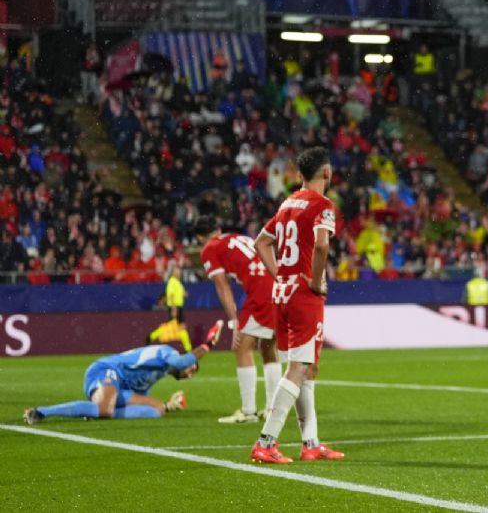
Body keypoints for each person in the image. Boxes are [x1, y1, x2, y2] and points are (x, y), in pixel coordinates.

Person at [250, 147, 344, 464]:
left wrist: (281, 274)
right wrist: (316, 282)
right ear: (327, 174)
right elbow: (321, 244)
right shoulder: (323, 205)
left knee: (306, 366)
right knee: (299, 367)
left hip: (281, 293)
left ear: (300, 174)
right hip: (304, 296)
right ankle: (266, 441)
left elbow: (261, 242)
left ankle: (311, 443)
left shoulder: (288, 203)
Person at [23, 321, 222, 424]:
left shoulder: (160, 371)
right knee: (105, 409)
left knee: (156, 411)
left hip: (118, 387)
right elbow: (183, 360)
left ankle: (93, 412)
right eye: (191, 369)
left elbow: (138, 395)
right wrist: (208, 345)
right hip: (105, 371)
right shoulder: (165, 352)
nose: (189, 373)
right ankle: (41, 412)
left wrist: (168, 406)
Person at [195, 216, 282, 424]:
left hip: (261, 291)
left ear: (199, 237)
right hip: (278, 284)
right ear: (218, 227)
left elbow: (222, 285)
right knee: (269, 347)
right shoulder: (237, 238)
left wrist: (234, 321)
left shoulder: (209, 249)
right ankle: (272, 409)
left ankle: (249, 411)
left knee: (242, 347)